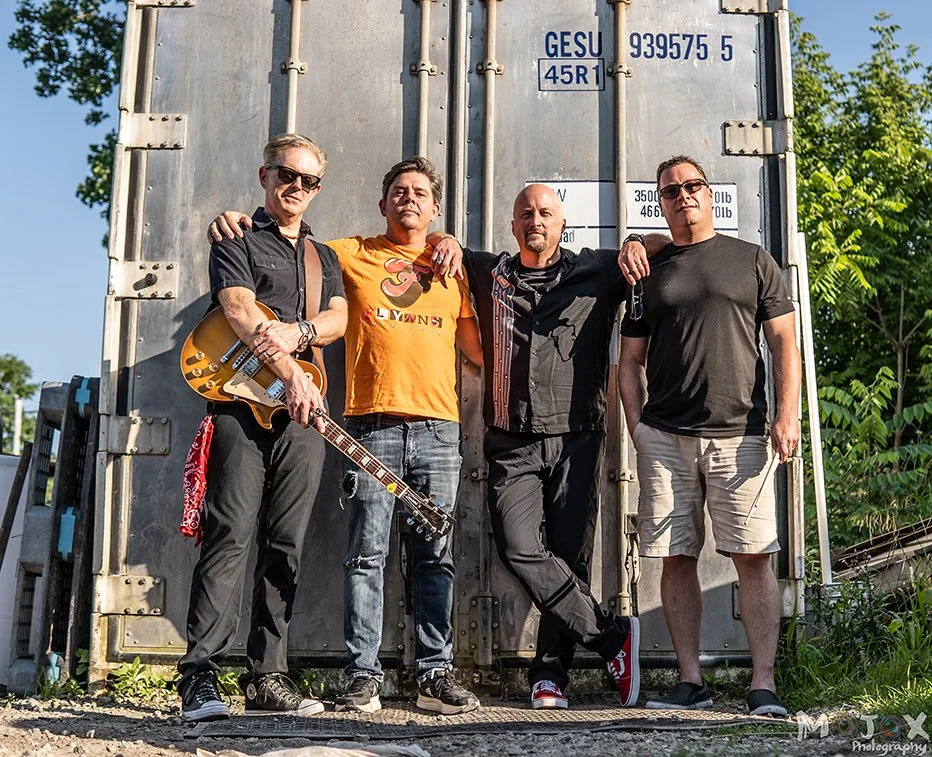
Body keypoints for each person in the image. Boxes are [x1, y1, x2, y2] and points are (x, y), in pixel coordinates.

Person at [208, 156, 483, 715]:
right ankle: (363, 678)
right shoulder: (346, 254)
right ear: (382, 204)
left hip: (439, 429)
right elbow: (288, 243)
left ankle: (434, 674)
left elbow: (478, 352)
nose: (409, 199)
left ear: (435, 208)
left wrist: (451, 243)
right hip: (368, 425)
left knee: (435, 555)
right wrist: (238, 220)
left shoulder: (453, 269)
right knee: (365, 557)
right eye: (399, 191)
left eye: (420, 193)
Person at [433, 184, 646, 710]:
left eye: (546, 212)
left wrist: (638, 241)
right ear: (513, 226)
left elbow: (662, 251)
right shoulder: (489, 272)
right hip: (510, 440)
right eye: (526, 213)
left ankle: (549, 676)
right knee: (519, 547)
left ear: (561, 224)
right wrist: (444, 239)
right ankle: (612, 637)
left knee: (570, 557)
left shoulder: (597, 270)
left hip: (577, 437)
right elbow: (437, 244)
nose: (536, 220)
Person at [617, 155, 801, 717]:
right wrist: (638, 428)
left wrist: (787, 415)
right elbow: (629, 361)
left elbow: (784, 342)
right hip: (665, 437)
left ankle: (762, 685)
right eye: (670, 191)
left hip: (741, 435)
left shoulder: (752, 260)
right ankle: (690, 681)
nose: (683, 196)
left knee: (754, 558)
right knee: (676, 558)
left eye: (692, 185)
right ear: (661, 202)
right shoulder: (648, 272)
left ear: (710, 192)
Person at [177, 133, 349, 722]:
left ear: (317, 189)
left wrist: (302, 335)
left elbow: (337, 318)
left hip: (300, 414)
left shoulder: (324, 258)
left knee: (286, 542)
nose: (296, 187)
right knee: (228, 533)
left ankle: (266, 678)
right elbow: (238, 309)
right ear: (264, 176)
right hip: (241, 407)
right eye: (286, 175)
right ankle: (199, 677)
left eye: (308, 180)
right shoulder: (237, 238)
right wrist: (292, 373)